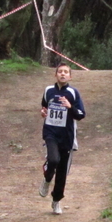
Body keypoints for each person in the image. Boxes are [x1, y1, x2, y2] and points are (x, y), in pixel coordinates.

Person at [39, 63, 86, 214]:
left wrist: (69, 107)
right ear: (56, 75)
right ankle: (47, 179)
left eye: (66, 72)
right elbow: (44, 106)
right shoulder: (48, 91)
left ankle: (56, 200)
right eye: (60, 72)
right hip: (50, 133)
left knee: (62, 172)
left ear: (70, 76)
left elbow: (81, 114)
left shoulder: (73, 93)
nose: (63, 74)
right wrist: (43, 112)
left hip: (66, 136)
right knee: (53, 160)